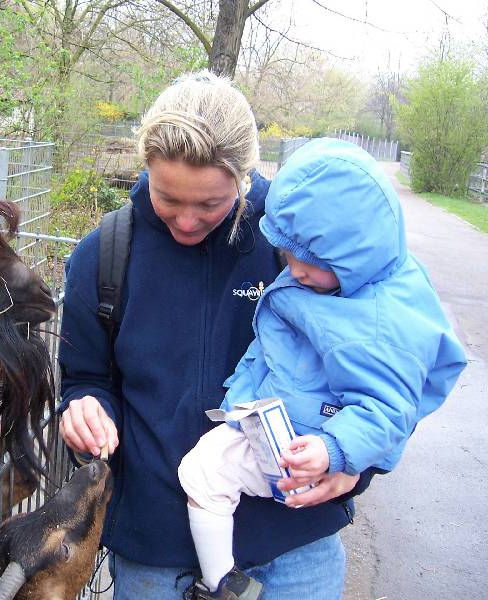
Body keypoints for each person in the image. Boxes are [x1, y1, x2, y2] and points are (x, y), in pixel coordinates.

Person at [58, 71, 378, 600]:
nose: (186, 222)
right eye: (168, 198)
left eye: (210, 204)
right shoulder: (104, 256)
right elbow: (85, 378)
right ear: (146, 168)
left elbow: (385, 358)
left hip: (294, 542)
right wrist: (84, 407)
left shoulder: (297, 247)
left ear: (244, 177)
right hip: (157, 552)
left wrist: (355, 465)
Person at [177, 137, 467, 599]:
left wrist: (335, 450)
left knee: (203, 473)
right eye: (288, 256)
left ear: (353, 256)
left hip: (303, 442)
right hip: (290, 420)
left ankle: (219, 583)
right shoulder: (352, 281)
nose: (294, 271)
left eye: (311, 262)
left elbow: (388, 409)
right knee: (207, 470)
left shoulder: (379, 325)